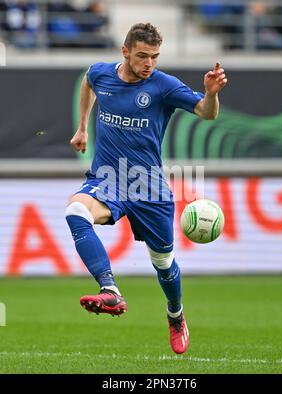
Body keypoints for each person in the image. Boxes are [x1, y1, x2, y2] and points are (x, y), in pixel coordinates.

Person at [65, 23, 227, 355]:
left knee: (163, 263)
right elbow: (88, 82)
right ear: (125, 52)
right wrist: (82, 126)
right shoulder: (102, 74)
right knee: (76, 210)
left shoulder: (163, 85)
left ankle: (176, 314)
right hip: (108, 178)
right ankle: (110, 289)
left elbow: (205, 115)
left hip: (149, 188)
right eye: (142, 56)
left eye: (154, 56)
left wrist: (211, 95)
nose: (149, 63)